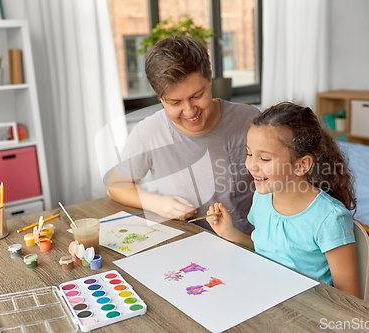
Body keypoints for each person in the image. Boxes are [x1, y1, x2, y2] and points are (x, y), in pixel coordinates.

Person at [106, 36, 259, 234]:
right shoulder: (149, 133)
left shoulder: (249, 120)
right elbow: (115, 185)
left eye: (197, 96)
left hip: (250, 242)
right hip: (187, 243)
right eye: (175, 103)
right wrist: (156, 203)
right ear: (160, 97)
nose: (189, 112)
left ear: (210, 78)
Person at [206, 102, 360, 298]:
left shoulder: (329, 218)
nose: (252, 165)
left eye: (265, 159)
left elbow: (349, 297)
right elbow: (268, 251)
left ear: (301, 165)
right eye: (249, 153)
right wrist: (230, 233)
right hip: (264, 296)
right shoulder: (262, 199)